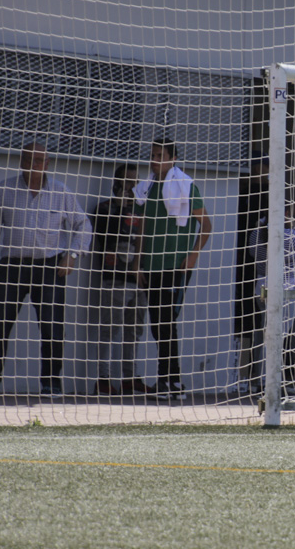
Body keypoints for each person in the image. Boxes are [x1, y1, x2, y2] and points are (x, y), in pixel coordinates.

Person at [0, 142, 92, 396]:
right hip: (12, 266)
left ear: (48, 164)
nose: (34, 165)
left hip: (49, 268)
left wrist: (72, 255)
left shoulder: (61, 192)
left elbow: (84, 225)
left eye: (39, 160)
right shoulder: (4, 189)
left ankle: (51, 383)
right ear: (21, 161)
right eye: (29, 159)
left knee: (53, 327)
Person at [134, 139, 212, 401]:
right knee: (158, 323)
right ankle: (173, 381)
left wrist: (192, 255)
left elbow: (207, 225)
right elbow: (142, 227)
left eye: (159, 155)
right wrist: (138, 262)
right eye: (152, 155)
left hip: (175, 265)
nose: (154, 160)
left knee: (167, 321)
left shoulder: (187, 186)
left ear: (173, 158)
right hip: (152, 265)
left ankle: (167, 381)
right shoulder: (146, 188)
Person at [89, 163, 151, 395]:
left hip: (139, 278)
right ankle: (103, 379)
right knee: (109, 329)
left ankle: (129, 378)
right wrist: (120, 206)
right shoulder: (104, 209)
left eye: (136, 182)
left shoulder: (142, 210)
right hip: (114, 278)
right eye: (127, 181)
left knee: (134, 330)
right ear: (117, 183)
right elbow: (105, 237)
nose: (132, 186)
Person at [247, 203, 295, 396]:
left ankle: (260, 380)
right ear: (284, 213)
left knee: (265, 334)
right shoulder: (290, 236)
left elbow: (254, 253)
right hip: (285, 290)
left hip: (262, 287)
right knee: (278, 336)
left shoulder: (257, 233)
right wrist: (293, 227)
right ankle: (269, 382)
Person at [235, 156, 268, 394]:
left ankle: (262, 377)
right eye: (257, 167)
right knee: (248, 322)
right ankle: (245, 376)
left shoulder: (271, 194)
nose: (260, 172)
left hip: (265, 269)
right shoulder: (246, 194)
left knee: (264, 327)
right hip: (248, 267)